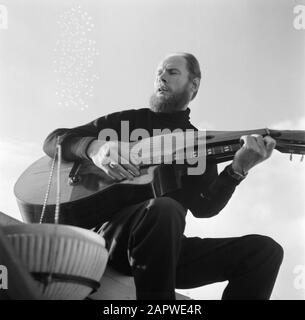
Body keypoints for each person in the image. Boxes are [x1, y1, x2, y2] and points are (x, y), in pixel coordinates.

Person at [43, 52, 284, 300]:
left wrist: (237, 171)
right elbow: (54, 140)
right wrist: (95, 149)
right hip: (112, 241)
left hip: (165, 248)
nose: (162, 77)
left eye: (172, 72)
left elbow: (204, 207)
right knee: (165, 208)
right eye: (159, 72)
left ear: (194, 84)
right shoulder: (127, 120)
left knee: (264, 252)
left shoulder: (200, 144)